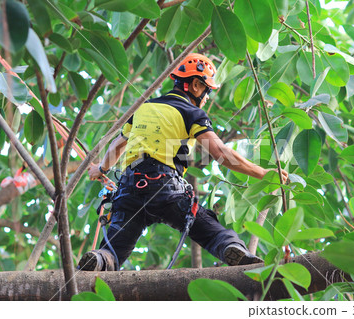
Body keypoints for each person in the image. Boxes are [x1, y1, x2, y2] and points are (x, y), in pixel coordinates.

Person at [78, 53, 288, 271]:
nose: (207, 97)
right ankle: (232, 249)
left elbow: (115, 147)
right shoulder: (192, 113)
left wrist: (100, 168)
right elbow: (220, 152)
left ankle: (100, 259)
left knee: (113, 249)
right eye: (207, 90)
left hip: (128, 190)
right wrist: (263, 173)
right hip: (165, 188)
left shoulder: (143, 108)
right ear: (196, 85)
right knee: (212, 231)